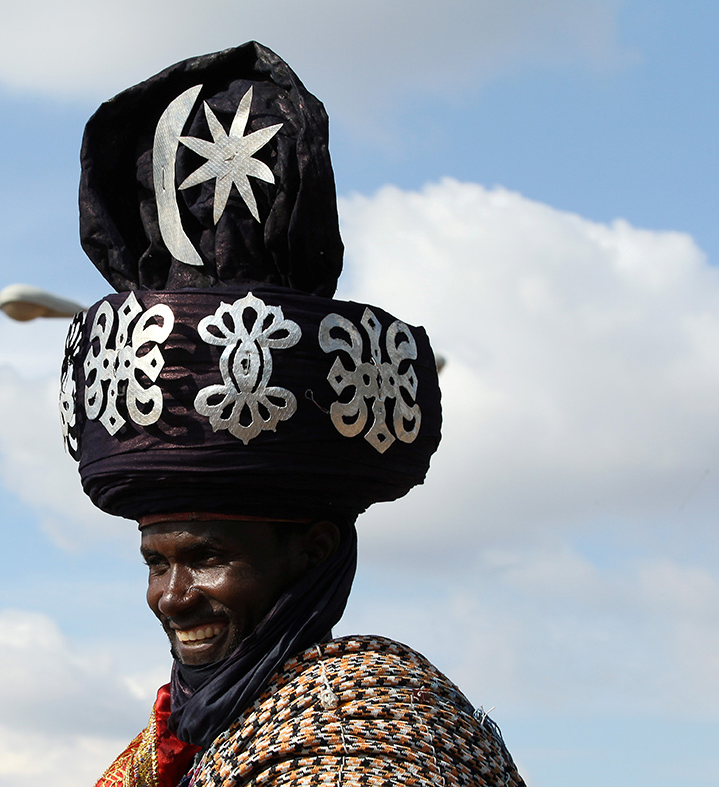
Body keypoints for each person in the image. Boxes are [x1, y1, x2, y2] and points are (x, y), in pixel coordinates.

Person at [57, 42, 526, 786]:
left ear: (311, 550)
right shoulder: (188, 745)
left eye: (207, 556)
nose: (173, 596)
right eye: (156, 561)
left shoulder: (376, 747)